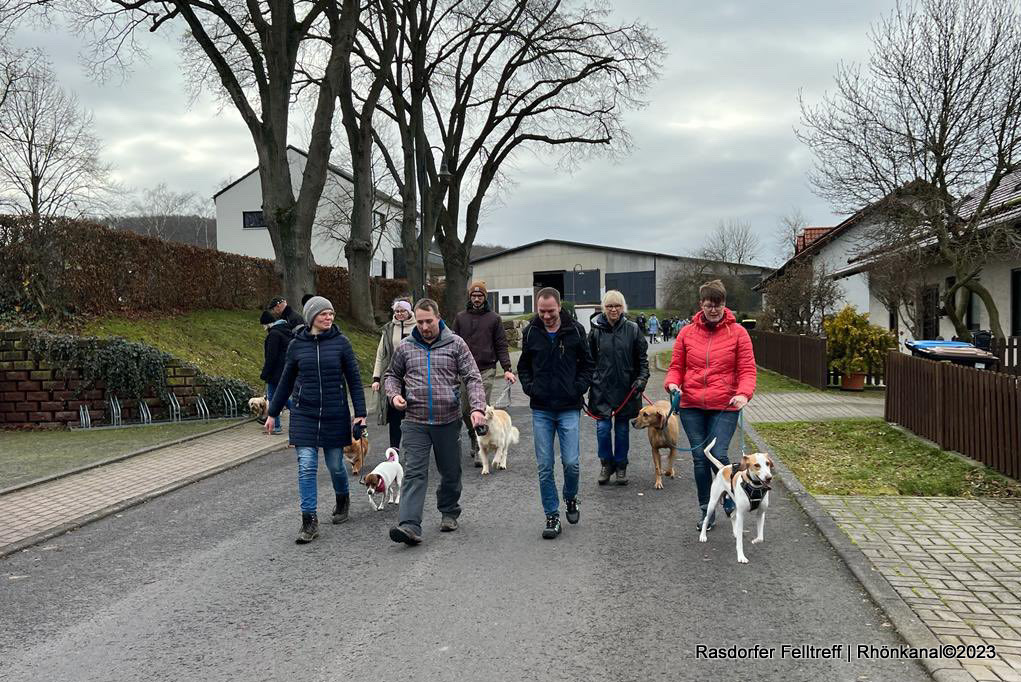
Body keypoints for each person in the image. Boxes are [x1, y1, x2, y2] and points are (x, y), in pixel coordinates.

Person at [383, 298, 487, 546]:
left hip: (447, 419)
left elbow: (472, 377)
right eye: (419, 322)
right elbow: (392, 375)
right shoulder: (406, 347)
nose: (424, 326)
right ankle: (409, 525)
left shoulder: (456, 344)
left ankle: (449, 510)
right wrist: (394, 395)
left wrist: (477, 408)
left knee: (450, 472)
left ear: (438, 317)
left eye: (428, 321)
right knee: (414, 473)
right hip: (415, 421)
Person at [265, 296, 367, 544]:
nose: (328, 318)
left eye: (331, 314)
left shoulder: (341, 343)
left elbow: (354, 378)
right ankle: (308, 520)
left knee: (335, 465)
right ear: (311, 317)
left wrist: (361, 413)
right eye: (323, 314)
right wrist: (273, 412)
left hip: (335, 413)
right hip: (304, 414)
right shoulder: (297, 345)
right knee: (307, 465)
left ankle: (342, 498)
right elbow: (286, 381)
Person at [664, 279, 756, 532]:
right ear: (700, 305)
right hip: (692, 404)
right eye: (709, 305)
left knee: (717, 454)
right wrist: (673, 385)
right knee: (699, 457)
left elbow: (747, 370)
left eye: (718, 305)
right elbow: (676, 368)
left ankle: (727, 497)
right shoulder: (686, 333)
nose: (714, 310)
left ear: (725, 304)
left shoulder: (738, 333)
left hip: (725, 405)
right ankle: (707, 509)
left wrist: (744, 393)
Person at [517, 287, 593, 540]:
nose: (546, 316)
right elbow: (524, 366)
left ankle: (570, 497)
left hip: (569, 407)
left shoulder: (576, 331)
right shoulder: (531, 333)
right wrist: (530, 388)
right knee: (544, 466)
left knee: (571, 462)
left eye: (550, 311)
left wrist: (579, 387)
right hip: (541, 409)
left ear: (559, 307)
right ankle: (552, 515)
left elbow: (587, 365)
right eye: (542, 311)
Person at [588, 290, 649, 486]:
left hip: (627, 389)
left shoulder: (633, 330)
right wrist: (589, 380)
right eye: (609, 306)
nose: (613, 309)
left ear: (623, 308)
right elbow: (588, 361)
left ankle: (621, 465)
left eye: (617, 306)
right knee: (603, 429)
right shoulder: (595, 331)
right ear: (604, 308)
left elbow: (642, 361)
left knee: (622, 430)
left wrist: (641, 379)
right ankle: (606, 463)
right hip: (601, 389)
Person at [452, 280, 516, 465]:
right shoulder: (460, 318)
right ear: (470, 297)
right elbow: (452, 343)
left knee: (481, 408)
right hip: (464, 370)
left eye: (480, 296)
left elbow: (501, 345)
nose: (477, 299)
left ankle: (483, 445)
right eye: (474, 296)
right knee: (465, 409)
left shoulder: (494, 318)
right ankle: (474, 436)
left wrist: (507, 369)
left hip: (486, 369)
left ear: (485, 298)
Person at [371, 299, 415, 449]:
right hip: (394, 378)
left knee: (413, 415)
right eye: (397, 311)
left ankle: (413, 447)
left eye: (403, 310)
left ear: (409, 311)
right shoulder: (389, 329)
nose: (400, 314)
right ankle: (394, 448)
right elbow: (380, 354)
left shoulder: (418, 327)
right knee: (395, 416)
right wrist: (376, 378)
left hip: (414, 379)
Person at [260, 309, 294, 434]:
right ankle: (299, 413)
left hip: (275, 373)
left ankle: (276, 426)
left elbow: (271, 357)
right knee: (282, 397)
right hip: (286, 371)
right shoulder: (286, 331)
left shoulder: (273, 335)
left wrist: (265, 373)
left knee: (273, 398)